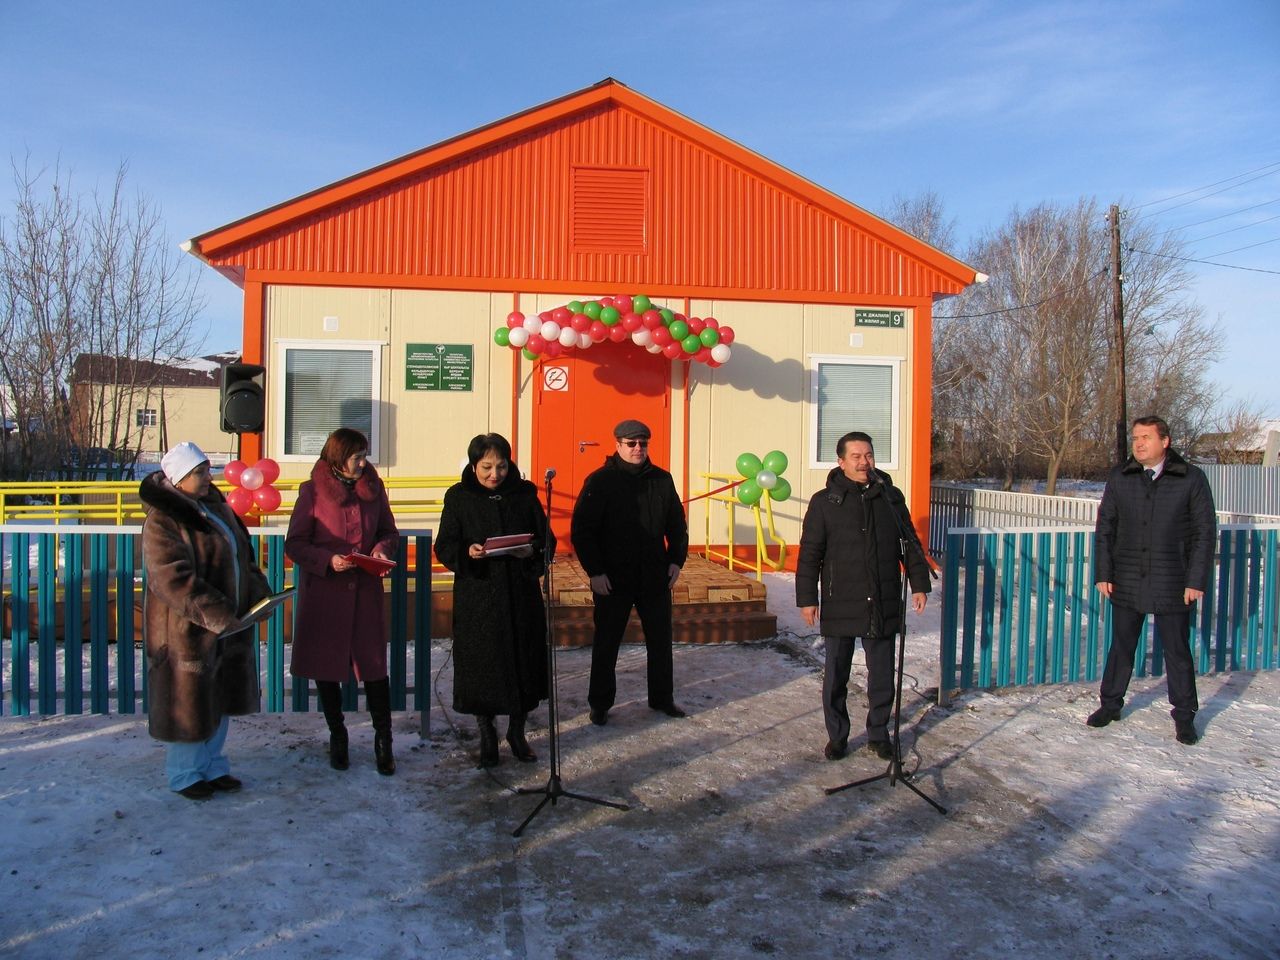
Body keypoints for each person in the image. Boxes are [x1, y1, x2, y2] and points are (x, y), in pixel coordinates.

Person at [140, 441, 272, 800]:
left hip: (225, 627)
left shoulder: (215, 509)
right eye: (199, 471)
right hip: (185, 630)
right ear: (178, 478)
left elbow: (241, 557)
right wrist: (215, 611)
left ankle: (212, 765)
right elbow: (171, 579)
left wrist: (259, 592)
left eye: (207, 469)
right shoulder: (163, 520)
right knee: (189, 703)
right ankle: (185, 773)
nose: (207, 476)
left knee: (220, 697)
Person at [796, 431, 931, 762]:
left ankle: (878, 733)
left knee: (882, 674)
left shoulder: (890, 497)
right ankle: (838, 736)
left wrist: (919, 583)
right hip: (841, 597)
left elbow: (910, 543)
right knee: (836, 675)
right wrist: (807, 598)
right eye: (855, 456)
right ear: (840, 462)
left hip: (881, 597)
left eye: (868, 455)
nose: (863, 462)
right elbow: (810, 552)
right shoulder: (825, 502)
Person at [1089, 415, 1216, 745]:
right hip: (1127, 578)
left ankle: (1185, 716)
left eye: (1146, 437)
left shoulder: (1190, 479)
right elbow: (1106, 528)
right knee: (1121, 647)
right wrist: (1103, 572)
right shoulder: (1122, 477)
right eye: (1135, 438)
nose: (1139, 443)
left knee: (1177, 651)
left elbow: (1205, 533)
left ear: (1165, 441)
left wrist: (1196, 579)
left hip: (1172, 580)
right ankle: (1110, 705)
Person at [286, 428, 400, 775]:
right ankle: (338, 735)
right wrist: (328, 561)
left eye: (365, 455)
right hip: (326, 594)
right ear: (338, 459)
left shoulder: (374, 489)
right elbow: (296, 543)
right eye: (357, 457)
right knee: (327, 666)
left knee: (375, 667)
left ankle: (384, 740)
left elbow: (388, 532)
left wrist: (381, 550)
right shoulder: (312, 492)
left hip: (364, 590)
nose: (363, 463)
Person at [435, 433, 552, 767]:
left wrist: (533, 550)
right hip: (479, 595)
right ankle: (487, 734)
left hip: (519, 593)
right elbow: (444, 545)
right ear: (474, 465)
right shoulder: (459, 497)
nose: (494, 474)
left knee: (522, 662)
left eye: (501, 466)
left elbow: (545, 538)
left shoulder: (525, 493)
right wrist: (467, 552)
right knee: (482, 666)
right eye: (486, 466)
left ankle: (517, 732)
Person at [571, 418, 689, 725]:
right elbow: (583, 531)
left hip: (654, 575)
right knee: (607, 642)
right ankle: (600, 704)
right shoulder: (599, 481)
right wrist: (595, 572)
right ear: (618, 445)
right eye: (631, 443)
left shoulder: (662, 480)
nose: (638, 448)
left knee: (660, 641)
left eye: (643, 443)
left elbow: (677, 524)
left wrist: (676, 559)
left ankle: (662, 698)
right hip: (612, 578)